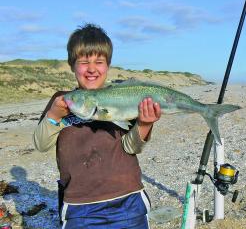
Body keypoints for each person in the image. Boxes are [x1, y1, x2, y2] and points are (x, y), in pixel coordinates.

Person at [33, 23, 161, 228]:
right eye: (84, 62)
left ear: (108, 66)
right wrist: (54, 116)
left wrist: (144, 124)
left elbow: (131, 147)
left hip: (128, 201)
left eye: (99, 62)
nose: (91, 68)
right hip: (78, 207)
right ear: (72, 65)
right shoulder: (62, 100)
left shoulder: (121, 97)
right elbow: (41, 144)